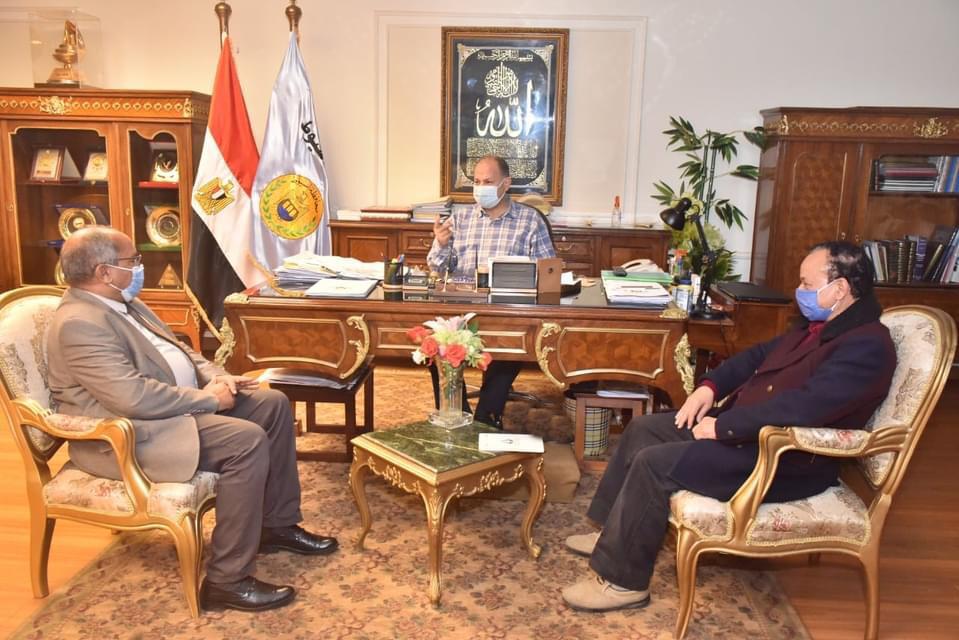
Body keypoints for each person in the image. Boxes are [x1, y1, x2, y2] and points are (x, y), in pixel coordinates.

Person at [561, 241, 897, 612]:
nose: (798, 291)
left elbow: (802, 408)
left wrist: (723, 428)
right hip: (746, 433)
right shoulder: (821, 326)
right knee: (643, 430)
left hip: (783, 457)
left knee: (654, 464)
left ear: (840, 289)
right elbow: (756, 356)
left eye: (806, 283)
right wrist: (710, 387)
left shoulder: (867, 346)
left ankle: (623, 584)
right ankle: (611, 533)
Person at [46, 227, 338, 613]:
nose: (140, 267)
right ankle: (226, 581)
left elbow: (181, 350)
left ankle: (275, 525)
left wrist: (217, 377)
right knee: (245, 441)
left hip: (174, 409)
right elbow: (131, 397)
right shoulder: (79, 323)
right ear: (104, 272)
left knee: (272, 405)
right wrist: (208, 400)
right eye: (133, 261)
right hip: (133, 433)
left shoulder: (125, 302)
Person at [426, 154, 556, 427]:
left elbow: (549, 274)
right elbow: (439, 268)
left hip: (508, 312)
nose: (480, 187)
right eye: (476, 181)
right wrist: (441, 244)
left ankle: (486, 419)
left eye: (488, 182)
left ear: (505, 184)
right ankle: (454, 414)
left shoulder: (530, 220)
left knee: (510, 351)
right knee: (436, 345)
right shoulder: (461, 219)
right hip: (464, 311)